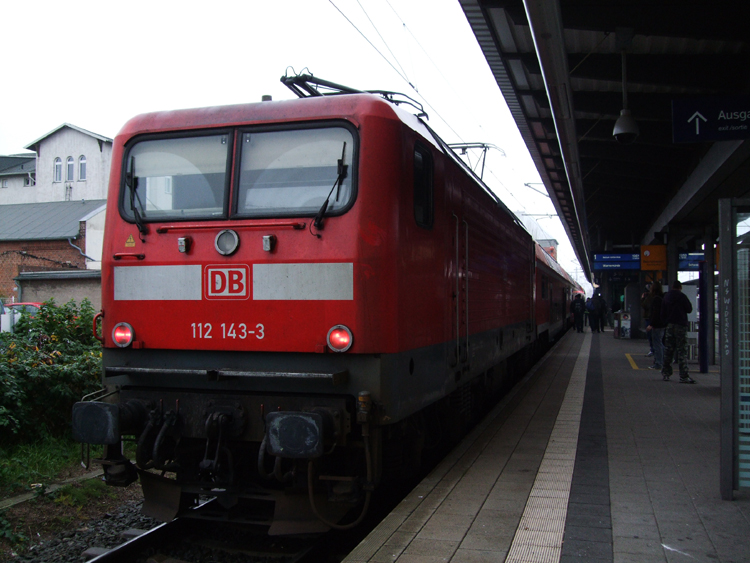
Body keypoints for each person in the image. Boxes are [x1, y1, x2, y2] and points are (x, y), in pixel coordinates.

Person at [660, 280, 695, 383]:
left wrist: (666, 323)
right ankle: (683, 376)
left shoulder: (666, 297)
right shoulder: (682, 296)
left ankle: (666, 373)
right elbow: (689, 309)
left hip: (670, 326)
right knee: (681, 351)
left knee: (668, 350)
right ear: (680, 287)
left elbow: (662, 313)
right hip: (680, 325)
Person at [646, 283, 665, 370]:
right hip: (662, 324)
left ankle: (659, 363)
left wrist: (651, 324)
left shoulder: (656, 299)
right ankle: (663, 361)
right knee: (660, 343)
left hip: (657, 325)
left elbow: (655, 313)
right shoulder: (662, 298)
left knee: (657, 344)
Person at [641, 284, 654, 357]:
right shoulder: (656, 297)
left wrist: (643, 298)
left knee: (651, 336)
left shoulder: (650, 298)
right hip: (652, 318)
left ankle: (653, 350)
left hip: (650, 319)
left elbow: (644, 305)